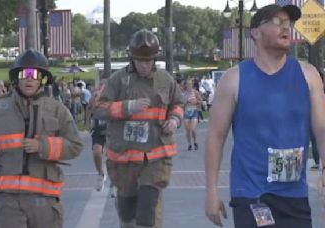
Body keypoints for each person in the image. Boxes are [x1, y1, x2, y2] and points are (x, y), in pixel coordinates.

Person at [205, 4, 325, 228]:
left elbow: (321, 128)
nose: (286, 27)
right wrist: (211, 192)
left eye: (288, 23)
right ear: (256, 33)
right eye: (277, 22)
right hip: (252, 194)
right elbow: (215, 136)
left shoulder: (308, 75)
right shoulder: (234, 79)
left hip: (295, 196)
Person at [0, 49, 83, 228]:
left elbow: (75, 145)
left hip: (44, 200)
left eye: (35, 74)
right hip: (7, 201)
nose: (29, 78)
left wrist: (42, 146)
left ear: (42, 79)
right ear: (17, 78)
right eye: (24, 73)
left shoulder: (58, 110)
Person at [93, 29, 184, 228]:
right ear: (132, 58)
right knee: (127, 216)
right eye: (140, 60)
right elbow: (98, 109)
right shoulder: (117, 80)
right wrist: (127, 107)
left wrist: (175, 119)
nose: (145, 65)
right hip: (124, 159)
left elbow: (178, 103)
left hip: (156, 157)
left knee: (147, 214)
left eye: (149, 60)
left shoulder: (165, 79)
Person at [89, 79, 108, 191]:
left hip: (111, 129)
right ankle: (100, 173)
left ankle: (115, 183)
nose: (102, 87)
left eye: (104, 85)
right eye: (101, 85)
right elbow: (89, 108)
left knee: (112, 157)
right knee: (97, 152)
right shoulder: (96, 97)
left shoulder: (113, 96)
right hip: (98, 128)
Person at [183, 78, 202, 151]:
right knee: (188, 130)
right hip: (186, 112)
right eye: (187, 84)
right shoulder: (183, 93)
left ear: (192, 85)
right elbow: (180, 103)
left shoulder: (195, 92)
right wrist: (187, 101)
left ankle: (195, 142)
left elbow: (201, 101)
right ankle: (189, 144)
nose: (189, 85)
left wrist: (196, 102)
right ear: (185, 85)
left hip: (194, 111)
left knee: (193, 129)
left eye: (190, 84)